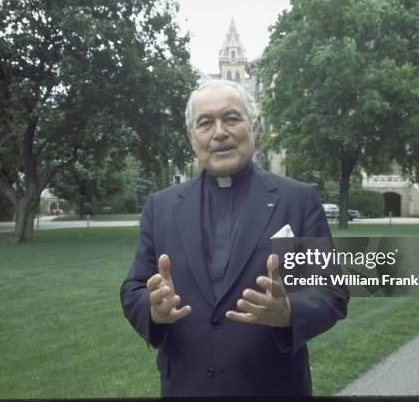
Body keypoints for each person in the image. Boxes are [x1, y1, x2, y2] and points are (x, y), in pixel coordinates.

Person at [120, 79, 348, 396]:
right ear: (191, 137)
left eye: (231, 118)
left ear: (254, 127)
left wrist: (289, 313)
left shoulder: (296, 200)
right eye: (205, 123)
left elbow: (329, 294)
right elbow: (133, 290)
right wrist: (152, 309)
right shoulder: (162, 208)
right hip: (186, 388)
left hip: (273, 389)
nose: (220, 132)